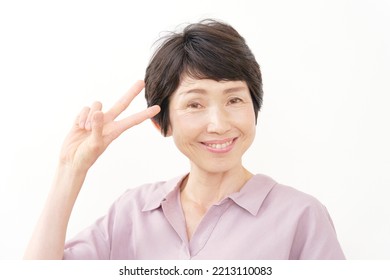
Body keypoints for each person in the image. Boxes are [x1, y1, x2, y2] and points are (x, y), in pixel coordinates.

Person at [24, 19, 345, 260]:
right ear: (162, 123)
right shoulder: (132, 212)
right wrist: (70, 170)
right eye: (195, 104)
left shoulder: (301, 216)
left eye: (234, 100)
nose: (218, 124)